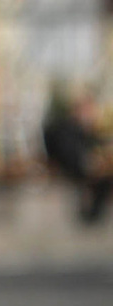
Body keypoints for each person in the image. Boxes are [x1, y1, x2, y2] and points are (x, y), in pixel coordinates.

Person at [41, 84, 113, 227]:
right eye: (87, 110)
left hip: (82, 169)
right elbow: (70, 156)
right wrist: (93, 163)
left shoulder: (84, 130)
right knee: (105, 180)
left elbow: (95, 144)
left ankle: (92, 217)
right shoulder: (67, 129)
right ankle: (91, 218)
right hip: (73, 170)